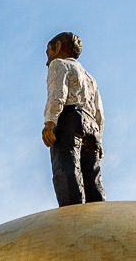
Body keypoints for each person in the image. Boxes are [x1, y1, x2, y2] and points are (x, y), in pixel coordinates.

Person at [41, 32, 105, 206]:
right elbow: (99, 112)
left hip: (69, 119)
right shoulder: (91, 78)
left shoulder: (59, 64)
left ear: (58, 47)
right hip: (92, 125)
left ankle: (72, 217)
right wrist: (99, 141)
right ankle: (99, 215)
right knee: (92, 177)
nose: (47, 61)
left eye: (48, 53)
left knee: (67, 172)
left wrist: (50, 122)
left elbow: (58, 94)